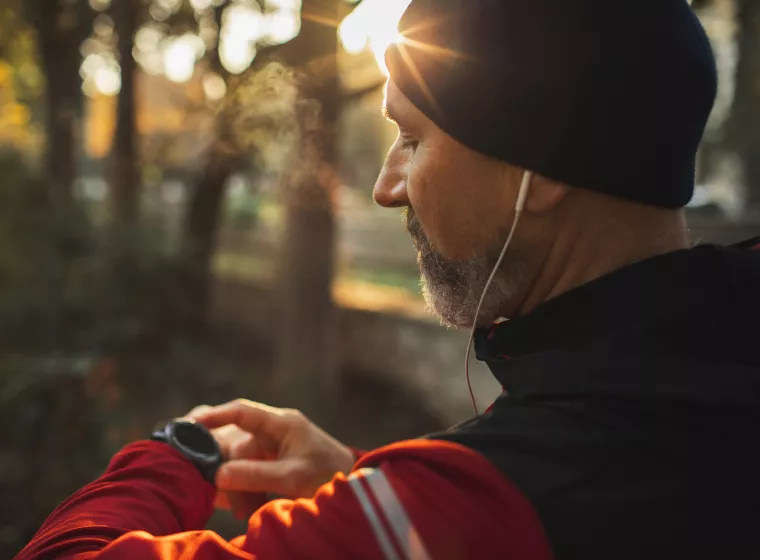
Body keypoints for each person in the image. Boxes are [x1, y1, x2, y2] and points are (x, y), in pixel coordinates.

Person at [17, 0, 760, 558]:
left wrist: (178, 453)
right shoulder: (710, 375)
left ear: (543, 170)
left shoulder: (494, 498)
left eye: (412, 139)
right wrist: (359, 480)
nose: (386, 185)